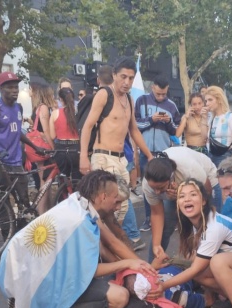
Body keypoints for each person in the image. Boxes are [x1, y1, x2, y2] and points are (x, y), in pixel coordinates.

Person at [39, 170, 156, 308]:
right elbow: (89, 271)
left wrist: (142, 268)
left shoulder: (80, 203)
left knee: (117, 280)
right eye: (116, 200)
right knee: (119, 297)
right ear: (102, 197)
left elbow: (112, 243)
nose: (117, 207)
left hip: (47, 275)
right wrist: (128, 265)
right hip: (48, 284)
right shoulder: (80, 222)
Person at [146, 179, 232, 308]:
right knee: (200, 269)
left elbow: (196, 267)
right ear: (178, 203)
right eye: (182, 196)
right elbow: (195, 261)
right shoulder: (197, 224)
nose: (187, 199)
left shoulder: (214, 224)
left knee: (216, 263)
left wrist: (163, 286)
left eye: (193, 194)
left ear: (204, 200)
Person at [79, 57, 154, 224]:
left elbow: (133, 130)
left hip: (121, 160)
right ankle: (100, 245)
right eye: (123, 76)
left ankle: (108, 244)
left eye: (131, 78)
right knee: (105, 208)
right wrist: (83, 157)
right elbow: (88, 126)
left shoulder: (129, 99)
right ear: (114, 75)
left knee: (122, 207)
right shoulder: (104, 94)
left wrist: (149, 155)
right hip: (103, 158)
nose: (127, 82)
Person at [0, 72, 46, 212]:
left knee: (24, 202)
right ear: (1, 89)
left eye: (16, 87)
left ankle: (20, 230)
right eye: (10, 87)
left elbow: (17, 131)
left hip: (17, 163)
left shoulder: (18, 108)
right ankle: (7, 233)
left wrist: (34, 146)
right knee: (3, 204)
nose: (14, 90)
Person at [143, 146, 219, 262]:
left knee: (209, 225)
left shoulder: (188, 169)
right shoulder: (148, 184)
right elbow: (157, 214)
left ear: (171, 178)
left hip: (207, 181)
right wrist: (156, 244)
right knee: (164, 229)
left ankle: (210, 264)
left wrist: (182, 196)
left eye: (160, 187)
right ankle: (151, 269)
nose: (157, 192)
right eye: (154, 188)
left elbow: (206, 194)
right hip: (177, 190)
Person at [135, 75, 181, 231]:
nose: (162, 96)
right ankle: (149, 219)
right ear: (153, 87)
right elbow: (134, 125)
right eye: (159, 93)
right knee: (149, 187)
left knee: (167, 186)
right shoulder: (141, 100)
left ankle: (169, 218)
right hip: (145, 151)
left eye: (164, 94)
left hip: (164, 153)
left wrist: (168, 121)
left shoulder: (172, 106)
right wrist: (151, 119)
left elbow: (175, 130)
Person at [49, 87, 80, 183]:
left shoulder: (55, 113)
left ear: (61, 99)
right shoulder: (78, 113)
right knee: (77, 178)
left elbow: (53, 136)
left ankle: (63, 196)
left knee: (63, 178)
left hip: (61, 148)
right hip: (76, 148)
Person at [205, 86, 232, 167]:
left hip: (226, 156)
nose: (207, 103)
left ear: (219, 99)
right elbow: (205, 138)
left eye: (210, 100)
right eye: (206, 100)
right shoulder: (212, 118)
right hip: (211, 155)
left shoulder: (231, 117)